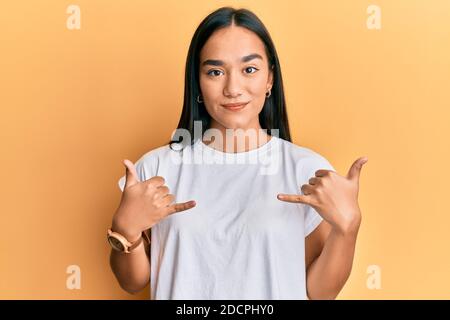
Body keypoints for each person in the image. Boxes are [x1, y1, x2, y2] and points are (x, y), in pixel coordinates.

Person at [108, 6, 368, 300]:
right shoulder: (157, 167)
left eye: (249, 70)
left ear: (269, 79)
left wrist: (347, 228)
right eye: (215, 72)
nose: (233, 88)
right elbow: (133, 282)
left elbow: (320, 292)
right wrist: (125, 230)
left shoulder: (305, 169)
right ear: (198, 82)